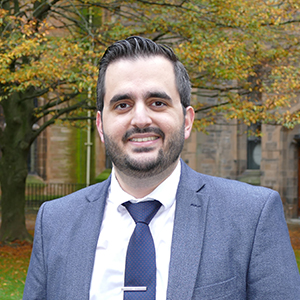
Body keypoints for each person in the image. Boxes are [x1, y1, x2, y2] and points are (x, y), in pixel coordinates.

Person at [23, 36, 300, 300]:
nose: (141, 119)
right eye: (122, 105)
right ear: (100, 126)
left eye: (158, 102)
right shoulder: (55, 222)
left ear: (187, 120)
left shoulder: (251, 217)